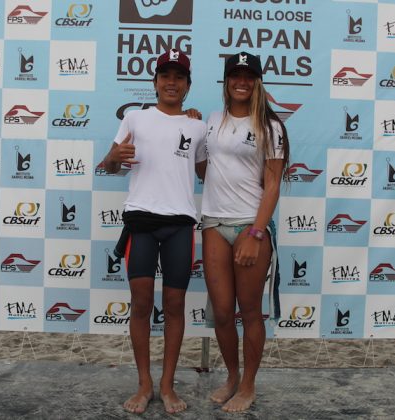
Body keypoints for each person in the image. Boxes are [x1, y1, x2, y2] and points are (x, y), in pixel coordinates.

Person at [102, 48, 207, 414]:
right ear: (155, 82)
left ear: (188, 85)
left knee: (175, 306)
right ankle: (144, 384)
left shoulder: (198, 126)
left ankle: (167, 385)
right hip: (141, 223)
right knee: (142, 305)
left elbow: (206, 174)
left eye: (179, 77)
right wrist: (114, 159)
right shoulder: (135, 117)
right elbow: (110, 165)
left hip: (180, 223)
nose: (171, 83)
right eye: (165, 76)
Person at [199, 51, 289, 412]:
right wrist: (190, 123)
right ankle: (232, 378)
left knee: (249, 311)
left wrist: (256, 232)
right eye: (235, 75)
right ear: (226, 81)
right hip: (213, 224)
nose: (241, 81)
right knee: (222, 312)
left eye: (248, 76)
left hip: (250, 227)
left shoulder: (271, 126)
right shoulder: (212, 119)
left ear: (257, 82)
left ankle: (249, 385)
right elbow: (203, 169)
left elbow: (272, 185)